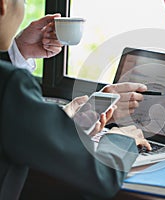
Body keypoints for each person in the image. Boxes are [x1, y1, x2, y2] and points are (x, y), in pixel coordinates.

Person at [0, 1, 151, 200]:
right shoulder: (11, 85)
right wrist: (123, 139)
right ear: (3, 5)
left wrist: (20, 51)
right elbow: (101, 178)